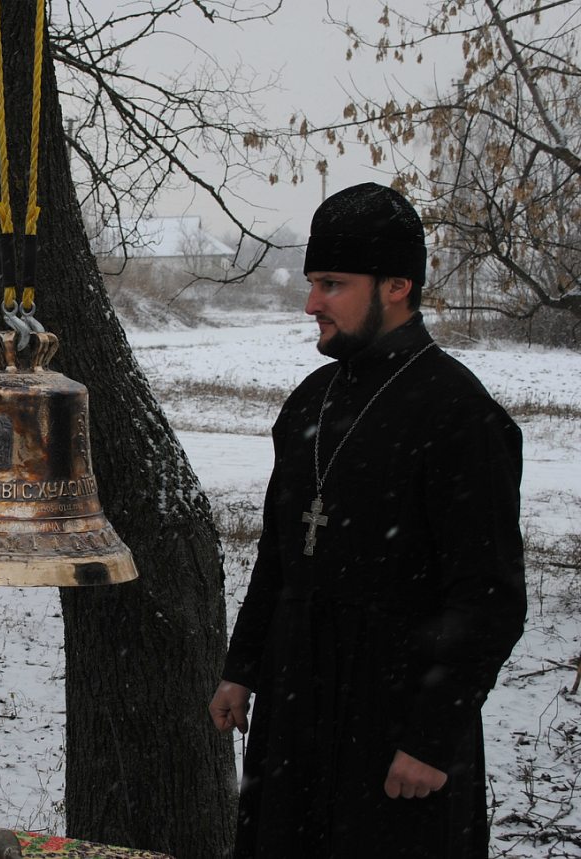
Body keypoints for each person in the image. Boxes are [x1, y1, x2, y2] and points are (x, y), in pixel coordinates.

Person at [208, 183, 526, 858]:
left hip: (396, 717)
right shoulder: (309, 404)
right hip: (296, 707)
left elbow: (488, 596)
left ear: (397, 286)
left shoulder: (459, 413)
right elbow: (280, 554)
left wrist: (431, 737)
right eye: (313, 282)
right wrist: (243, 667)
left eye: (332, 283)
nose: (311, 302)